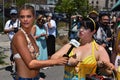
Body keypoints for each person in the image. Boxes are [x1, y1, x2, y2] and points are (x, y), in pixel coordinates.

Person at [11, 5, 68, 80]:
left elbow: (35, 60)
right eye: (22, 17)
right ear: (19, 18)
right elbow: (30, 64)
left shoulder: (30, 36)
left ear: (34, 17)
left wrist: (37, 77)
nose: (25, 19)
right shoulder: (19, 37)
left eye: (28, 16)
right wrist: (55, 61)